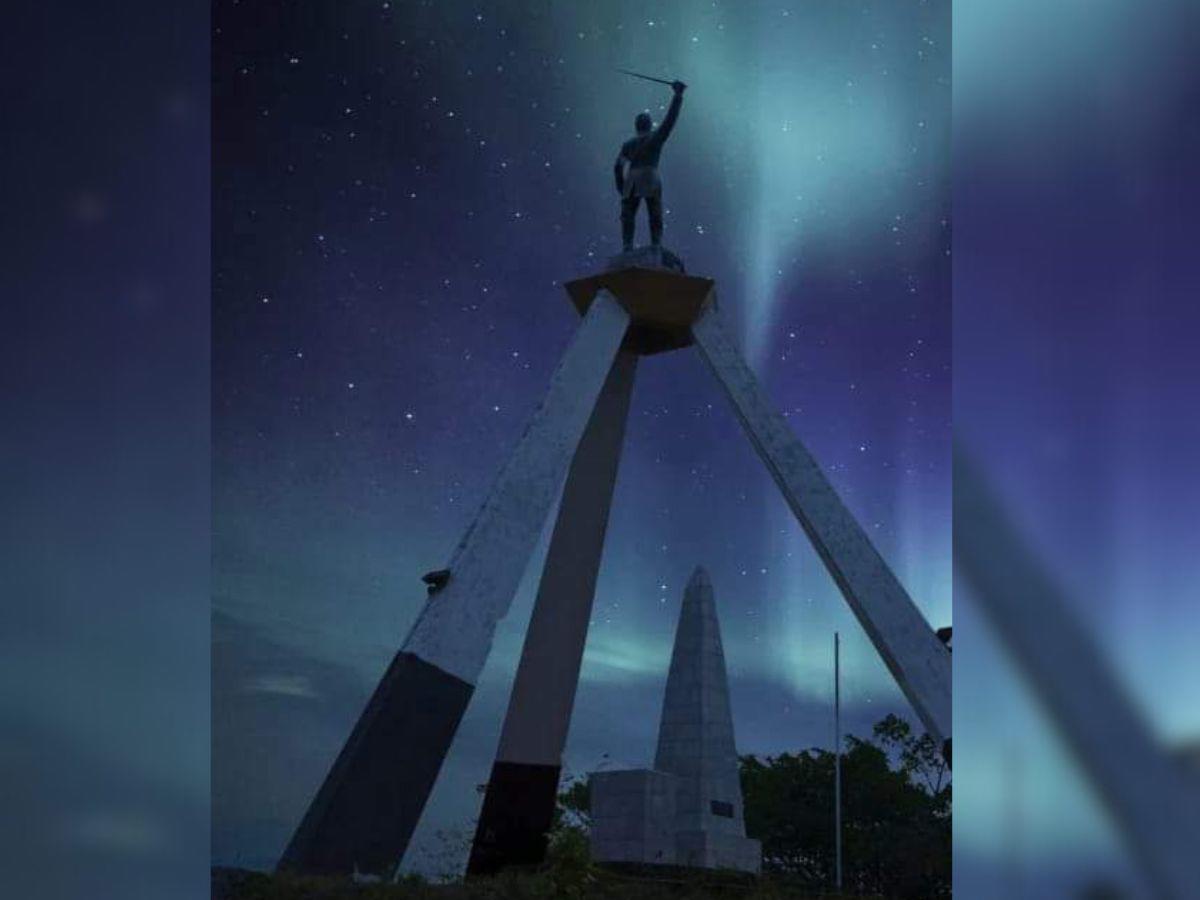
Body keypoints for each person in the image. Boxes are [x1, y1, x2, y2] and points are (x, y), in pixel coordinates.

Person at [613, 80, 686, 251]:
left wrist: (621, 188)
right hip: (650, 175)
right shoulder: (656, 137)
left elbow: (618, 167)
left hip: (632, 178)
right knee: (654, 214)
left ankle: (627, 245)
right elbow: (670, 120)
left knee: (628, 215)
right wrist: (678, 95)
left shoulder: (628, 144)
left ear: (636, 126)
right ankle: (656, 245)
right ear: (649, 124)